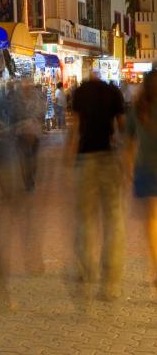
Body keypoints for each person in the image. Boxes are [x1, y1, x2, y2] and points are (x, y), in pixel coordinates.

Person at [66, 70, 125, 301]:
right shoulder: (113, 92)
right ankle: (110, 283)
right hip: (109, 158)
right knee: (113, 220)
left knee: (85, 218)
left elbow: (75, 127)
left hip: (85, 159)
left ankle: (86, 270)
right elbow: (122, 126)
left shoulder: (80, 92)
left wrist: (68, 155)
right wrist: (127, 156)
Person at [125, 70, 157, 291]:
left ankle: (156, 267)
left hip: (145, 169)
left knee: (152, 220)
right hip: (146, 168)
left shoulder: (137, 109)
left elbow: (127, 141)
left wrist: (127, 168)